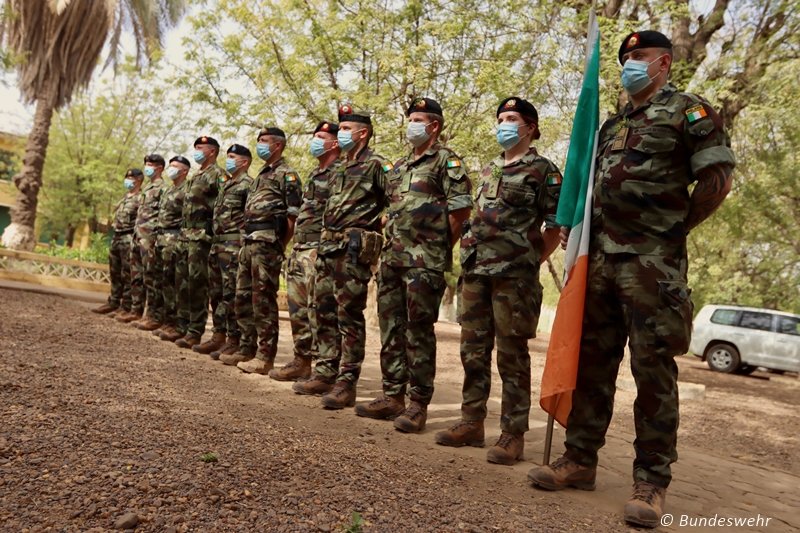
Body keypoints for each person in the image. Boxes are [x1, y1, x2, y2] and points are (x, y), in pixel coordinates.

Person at [527, 31, 736, 529]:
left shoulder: (690, 111)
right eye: (624, 58)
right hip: (600, 261)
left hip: (652, 266)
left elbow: (716, 181)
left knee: (652, 372)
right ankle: (579, 460)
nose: (628, 64)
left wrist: (671, 231)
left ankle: (652, 480)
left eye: (638, 57)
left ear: (663, 62)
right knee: (593, 365)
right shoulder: (610, 124)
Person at [435, 97, 561, 464]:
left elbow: (554, 227)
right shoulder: (490, 168)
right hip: (476, 273)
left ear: (531, 127)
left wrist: (529, 261)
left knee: (511, 355)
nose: (504, 124)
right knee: (472, 352)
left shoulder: (544, 171)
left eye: (512, 119)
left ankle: (512, 434)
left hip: (514, 278)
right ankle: (471, 421)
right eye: (501, 118)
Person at [355, 98, 472, 433]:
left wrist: (435, 248)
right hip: (392, 259)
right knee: (391, 327)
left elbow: (461, 211)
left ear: (433, 125)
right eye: (410, 119)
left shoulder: (447, 161)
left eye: (418, 119)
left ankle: (418, 404)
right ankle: (392, 395)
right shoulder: (402, 165)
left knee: (418, 331)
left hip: (424, 261)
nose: (412, 125)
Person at [296, 104, 389, 409]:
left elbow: (397, 203)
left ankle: (346, 383)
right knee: (322, 311)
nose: (342, 133)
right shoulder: (338, 168)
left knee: (348, 316)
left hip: (351, 250)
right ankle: (324, 372)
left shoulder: (377, 165)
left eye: (347, 129)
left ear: (363, 132)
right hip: (327, 247)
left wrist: (372, 229)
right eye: (341, 128)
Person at [220, 128, 301, 374]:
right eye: (259, 141)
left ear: (278, 145)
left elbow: (293, 216)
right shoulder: (260, 176)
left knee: (263, 299)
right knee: (242, 296)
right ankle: (247, 348)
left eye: (265, 141)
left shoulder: (288, 175)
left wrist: (280, 244)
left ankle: (265, 356)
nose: (260, 145)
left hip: (267, 244)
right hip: (249, 241)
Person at [271, 120, 341, 382]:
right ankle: (302, 361)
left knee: (320, 311)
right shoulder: (314, 173)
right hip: (301, 248)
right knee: (298, 309)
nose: (316, 140)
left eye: (321, 136)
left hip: (320, 250)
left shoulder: (341, 172)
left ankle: (326, 368)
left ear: (334, 142)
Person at [195, 144, 253, 358]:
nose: (228, 160)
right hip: (217, 244)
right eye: (227, 156)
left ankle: (234, 339)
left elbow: (250, 217)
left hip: (234, 246)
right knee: (216, 293)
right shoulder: (227, 185)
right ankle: (218, 336)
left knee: (232, 294)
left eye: (232, 157)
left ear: (244, 162)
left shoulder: (248, 185)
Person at [174, 136, 223, 349]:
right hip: (186, 236)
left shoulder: (217, 175)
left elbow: (221, 208)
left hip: (202, 238)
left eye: (200, 148)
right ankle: (184, 326)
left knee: (197, 285)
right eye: (195, 148)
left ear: (212, 151)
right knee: (183, 283)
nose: (197, 151)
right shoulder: (196, 176)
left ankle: (196, 331)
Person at [92, 169, 143, 316]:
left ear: (139, 180)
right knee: (114, 271)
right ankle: (113, 301)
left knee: (127, 273)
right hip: (117, 237)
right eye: (127, 177)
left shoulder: (140, 198)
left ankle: (126, 306)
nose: (128, 180)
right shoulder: (124, 198)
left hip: (128, 238)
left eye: (131, 177)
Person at [153, 156, 191, 342]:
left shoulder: (187, 190)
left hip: (175, 238)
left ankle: (179, 324)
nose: (171, 169)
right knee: (164, 281)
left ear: (184, 171)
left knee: (176, 282)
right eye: (170, 166)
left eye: (175, 167)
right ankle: (167, 320)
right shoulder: (168, 190)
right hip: (162, 238)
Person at [130, 154, 167, 331]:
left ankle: (154, 316)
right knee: (138, 276)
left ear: (160, 167)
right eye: (146, 164)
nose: (147, 167)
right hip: (138, 236)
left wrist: (155, 237)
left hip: (150, 238)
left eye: (151, 164)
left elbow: (163, 214)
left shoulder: (163, 188)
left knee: (152, 277)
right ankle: (140, 312)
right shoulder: (147, 188)